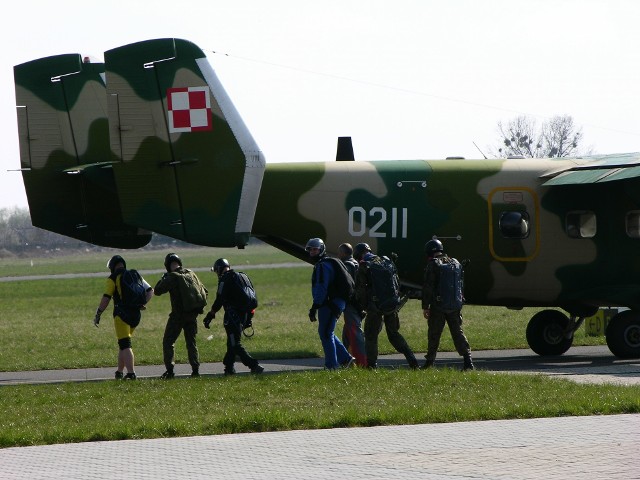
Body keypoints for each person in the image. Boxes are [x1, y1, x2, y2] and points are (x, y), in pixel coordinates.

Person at [354, 243, 419, 369]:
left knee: (371, 335)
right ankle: (412, 360)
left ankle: (372, 365)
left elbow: (360, 290)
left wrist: (362, 306)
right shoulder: (386, 260)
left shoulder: (364, 266)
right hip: (392, 304)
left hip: (375, 307)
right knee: (394, 334)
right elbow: (397, 282)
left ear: (358, 254)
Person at [93, 255, 154, 380]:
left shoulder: (113, 278)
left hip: (122, 315)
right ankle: (119, 372)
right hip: (136, 315)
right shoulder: (134, 275)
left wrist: (98, 313)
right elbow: (150, 290)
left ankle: (131, 373)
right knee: (123, 344)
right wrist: (142, 304)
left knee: (126, 345)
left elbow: (106, 297)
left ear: (112, 267)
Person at [203, 258, 264, 375]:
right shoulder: (242, 276)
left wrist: (211, 314)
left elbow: (219, 299)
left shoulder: (225, 279)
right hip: (246, 314)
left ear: (219, 270)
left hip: (233, 316)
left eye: (216, 272)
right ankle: (229, 369)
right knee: (231, 342)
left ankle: (254, 365)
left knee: (235, 344)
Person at [422, 239, 474, 371]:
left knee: (434, 334)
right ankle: (468, 361)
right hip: (455, 305)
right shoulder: (454, 262)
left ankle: (430, 362)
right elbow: (460, 283)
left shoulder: (433, 264)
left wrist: (425, 306)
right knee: (458, 333)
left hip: (438, 306)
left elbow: (428, 287)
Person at [306, 238, 355, 370]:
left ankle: (332, 366)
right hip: (336, 302)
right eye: (310, 249)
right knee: (328, 332)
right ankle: (346, 359)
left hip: (329, 304)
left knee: (326, 333)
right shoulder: (329, 262)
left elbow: (321, 287)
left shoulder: (322, 266)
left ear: (321, 250)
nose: (312, 252)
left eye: (315, 249)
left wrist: (315, 306)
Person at [154, 253, 205, 379]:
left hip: (178, 316)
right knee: (191, 342)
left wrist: (163, 278)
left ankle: (170, 371)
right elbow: (204, 290)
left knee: (168, 342)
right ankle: (195, 369)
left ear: (167, 265)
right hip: (192, 315)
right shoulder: (190, 274)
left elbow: (157, 291)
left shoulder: (172, 277)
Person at [337, 243, 367, 367]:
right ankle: (346, 360)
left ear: (343, 253)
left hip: (351, 304)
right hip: (359, 303)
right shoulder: (357, 263)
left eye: (340, 253)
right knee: (347, 332)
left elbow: (347, 287)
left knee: (355, 332)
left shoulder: (347, 266)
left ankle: (362, 363)